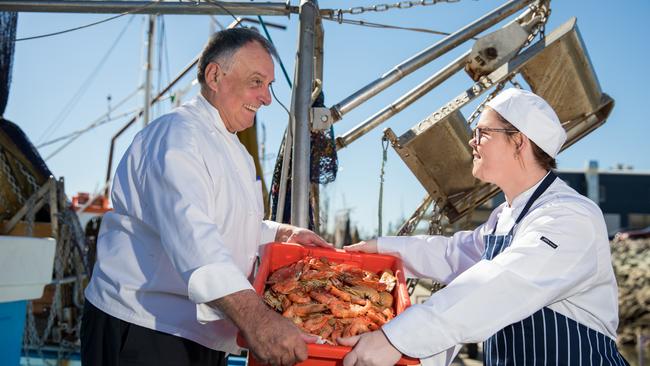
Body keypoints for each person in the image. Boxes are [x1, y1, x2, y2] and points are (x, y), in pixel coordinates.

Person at [81, 28, 331, 366]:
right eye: (256, 82)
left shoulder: (236, 151)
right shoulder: (177, 137)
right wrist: (257, 319)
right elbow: (193, 237)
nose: (267, 98)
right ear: (215, 76)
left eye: (269, 86)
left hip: (206, 335)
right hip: (145, 328)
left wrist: (279, 234)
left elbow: (228, 224)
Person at [341, 88, 629, 366]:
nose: (472, 141)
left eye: (482, 133)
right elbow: (451, 254)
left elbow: (502, 283)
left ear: (519, 141)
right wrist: (374, 249)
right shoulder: (505, 216)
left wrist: (396, 339)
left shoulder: (569, 216)